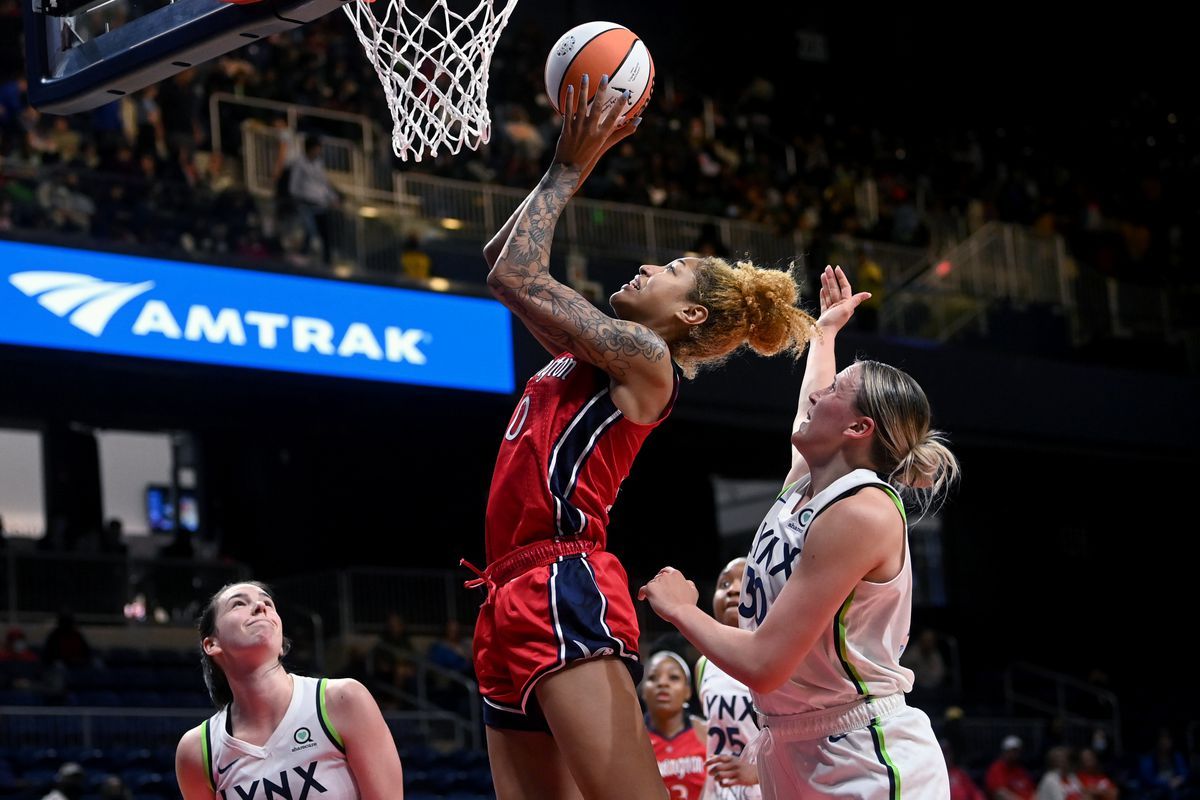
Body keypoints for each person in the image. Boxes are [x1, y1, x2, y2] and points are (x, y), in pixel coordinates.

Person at [472, 73, 815, 800]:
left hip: (561, 576)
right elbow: (499, 263)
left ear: (691, 317)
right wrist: (566, 163)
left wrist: (574, 165)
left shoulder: (647, 360)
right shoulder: (593, 353)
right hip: (506, 586)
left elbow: (513, 272)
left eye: (674, 270)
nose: (651, 265)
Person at [639, 265, 961, 799]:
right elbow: (808, 399)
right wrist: (825, 332)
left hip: (861, 749)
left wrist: (680, 610)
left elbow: (764, 665)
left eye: (835, 392)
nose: (815, 398)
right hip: (789, 743)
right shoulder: (803, 486)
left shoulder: (864, 511)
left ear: (858, 429)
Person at [174, 582, 404, 799]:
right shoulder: (197, 750)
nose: (260, 606)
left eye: (268, 603)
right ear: (212, 644)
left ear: (282, 643)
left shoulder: (344, 700)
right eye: (238, 604)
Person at [696, 558, 760, 800]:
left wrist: (758, 772)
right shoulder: (704, 664)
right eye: (724, 584)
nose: (732, 589)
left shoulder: (781, 657)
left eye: (743, 582)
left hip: (769, 787)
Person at [643, 651, 707, 800]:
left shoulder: (707, 732)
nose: (663, 683)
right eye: (653, 678)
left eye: (674, 678)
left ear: (687, 691)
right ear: (643, 691)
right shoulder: (632, 742)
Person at [986, 736, 1036, 800]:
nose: (1015, 754)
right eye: (1012, 751)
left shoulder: (1020, 770)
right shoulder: (996, 769)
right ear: (1004, 752)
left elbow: (1032, 790)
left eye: (1017, 751)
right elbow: (999, 794)